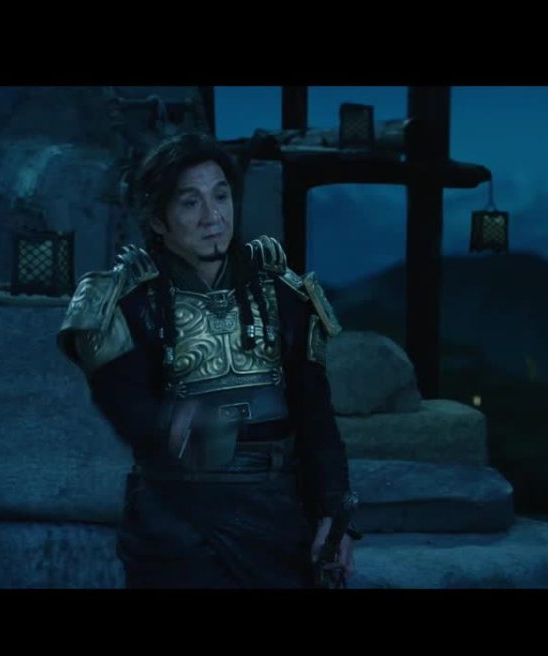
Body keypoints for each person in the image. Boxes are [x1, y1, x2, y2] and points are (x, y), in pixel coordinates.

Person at [57, 132, 357, 588]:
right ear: (158, 220)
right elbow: (124, 404)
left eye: (220, 196)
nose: (212, 217)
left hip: (275, 516)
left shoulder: (283, 295)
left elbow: (316, 417)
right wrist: (171, 425)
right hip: (174, 519)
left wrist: (334, 513)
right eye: (190, 202)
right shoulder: (128, 302)